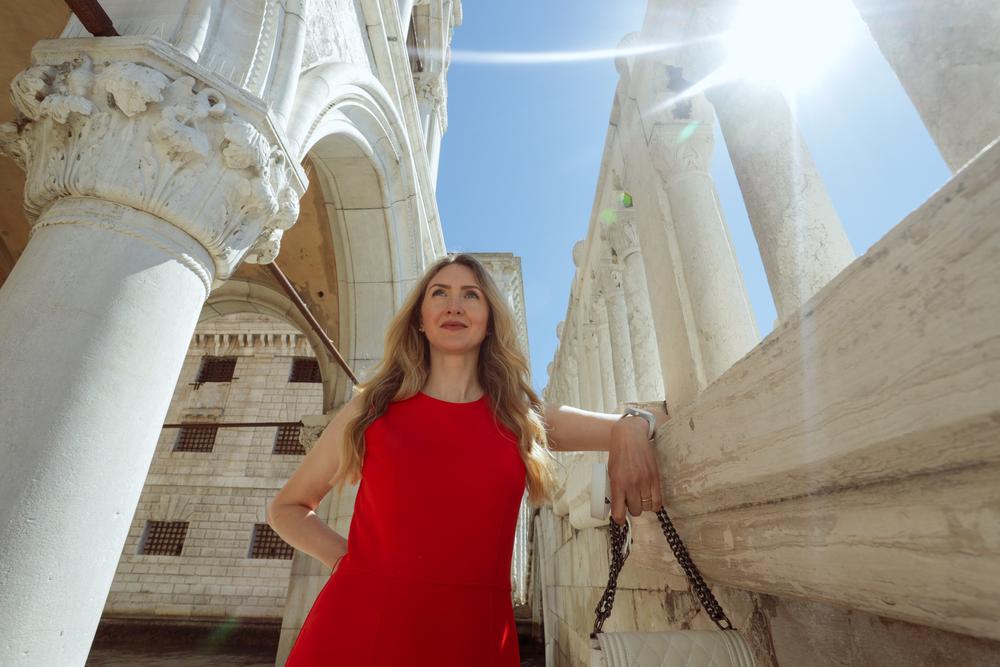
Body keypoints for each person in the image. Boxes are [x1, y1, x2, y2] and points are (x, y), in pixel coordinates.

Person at [267, 253, 668, 665]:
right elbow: (287, 508)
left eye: (470, 295)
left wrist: (632, 429)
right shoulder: (371, 410)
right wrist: (351, 563)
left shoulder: (522, 420)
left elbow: (649, 418)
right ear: (420, 319)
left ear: (490, 320)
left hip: (474, 638)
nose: (454, 305)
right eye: (440, 293)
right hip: (356, 627)